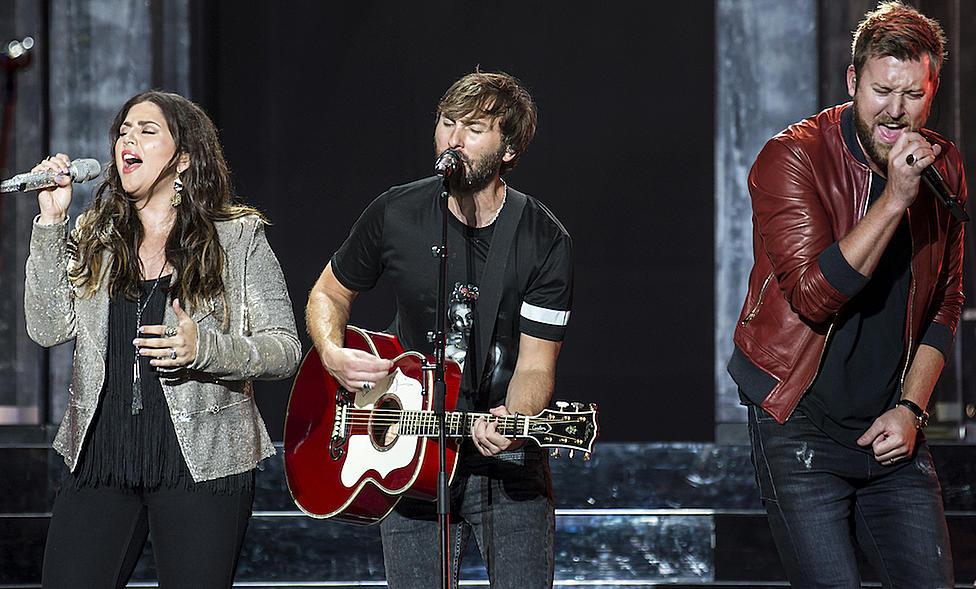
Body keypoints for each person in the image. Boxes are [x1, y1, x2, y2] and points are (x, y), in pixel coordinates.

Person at [306, 70, 573, 588]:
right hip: (407, 455)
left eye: (473, 128)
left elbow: (537, 364)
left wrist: (514, 418)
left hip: (504, 467)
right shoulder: (395, 212)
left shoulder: (544, 239)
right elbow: (328, 293)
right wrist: (332, 353)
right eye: (447, 123)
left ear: (509, 148)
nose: (454, 139)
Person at [728, 0, 962, 587]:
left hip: (890, 421)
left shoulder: (944, 167)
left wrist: (911, 410)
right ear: (854, 82)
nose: (897, 111)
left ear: (933, 91)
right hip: (799, 418)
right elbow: (812, 296)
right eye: (883, 90)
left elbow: (945, 304)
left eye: (914, 94)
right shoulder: (794, 157)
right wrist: (894, 200)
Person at [26, 91, 301, 588]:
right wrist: (50, 222)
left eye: (147, 131)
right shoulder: (96, 233)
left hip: (204, 460)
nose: (128, 138)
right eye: (124, 130)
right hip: (101, 456)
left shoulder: (235, 238)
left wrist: (206, 349)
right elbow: (48, 328)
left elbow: (284, 348)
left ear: (185, 158)